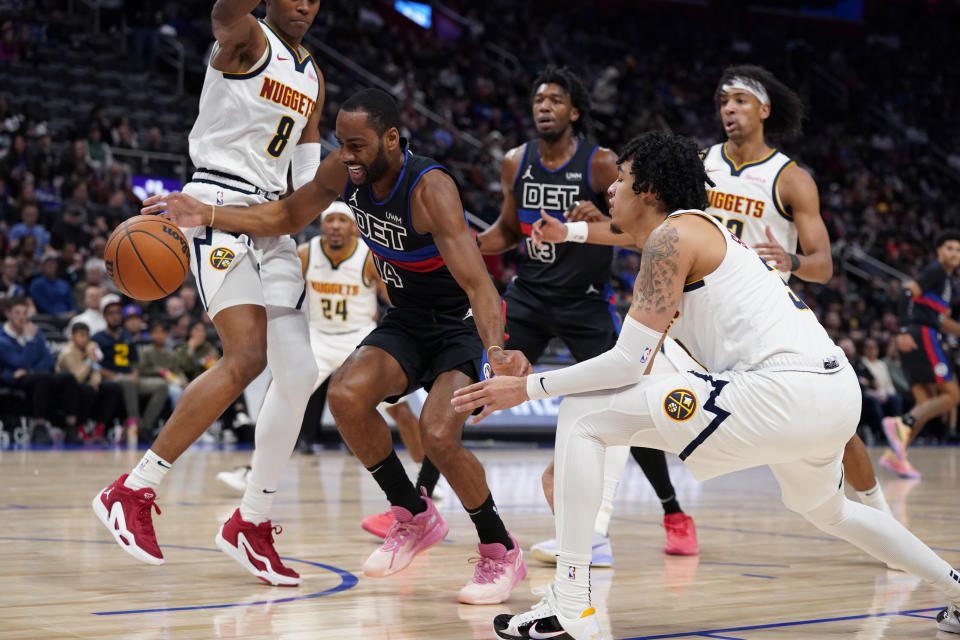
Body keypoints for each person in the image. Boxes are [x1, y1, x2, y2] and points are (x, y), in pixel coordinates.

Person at [452, 132, 960, 639]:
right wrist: (574, 236)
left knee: (582, 416)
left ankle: (569, 606)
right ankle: (957, 590)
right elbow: (633, 287)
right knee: (829, 511)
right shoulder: (695, 234)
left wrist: (528, 388)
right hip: (832, 392)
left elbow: (628, 362)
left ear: (649, 190)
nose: (611, 190)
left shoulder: (673, 239)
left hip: (782, 390)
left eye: (622, 180)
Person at [143, 88, 532, 604]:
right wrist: (206, 215)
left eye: (357, 145)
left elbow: (480, 285)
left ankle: (500, 551)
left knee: (438, 435)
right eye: (341, 144)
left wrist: (496, 353)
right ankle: (412, 514)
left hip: (457, 322)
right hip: (408, 319)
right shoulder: (343, 173)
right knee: (345, 397)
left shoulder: (430, 189)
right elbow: (283, 217)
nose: (346, 155)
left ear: (391, 140)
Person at [536, 64, 893, 522]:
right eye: (724, 101)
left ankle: (878, 512)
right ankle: (596, 529)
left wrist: (794, 262)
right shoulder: (699, 164)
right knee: (625, 387)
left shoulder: (790, 178)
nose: (729, 109)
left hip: (759, 328)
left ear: (764, 109)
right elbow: (646, 231)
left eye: (740, 100)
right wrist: (573, 232)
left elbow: (823, 265)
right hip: (693, 318)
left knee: (839, 435)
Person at [92, 0, 325, 586]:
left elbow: (306, 165)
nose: (304, 3)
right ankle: (133, 489)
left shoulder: (313, 74)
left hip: (271, 221)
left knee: (298, 373)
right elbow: (223, 10)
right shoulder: (244, 37)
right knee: (246, 357)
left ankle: (250, 522)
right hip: (213, 204)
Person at [477, 65, 698, 566]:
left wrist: (597, 221)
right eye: (538, 100)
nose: (544, 107)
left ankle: (673, 511)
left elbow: (637, 234)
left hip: (584, 300)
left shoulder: (600, 166)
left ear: (574, 111)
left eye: (555, 99)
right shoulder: (515, 162)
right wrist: (461, 244)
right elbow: (507, 231)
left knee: (624, 406)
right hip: (531, 296)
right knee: (476, 387)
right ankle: (421, 500)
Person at [216, 201, 440, 522]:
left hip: (360, 338)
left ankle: (423, 479)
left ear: (353, 226)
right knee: (279, 393)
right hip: (318, 338)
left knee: (401, 408)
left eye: (341, 220)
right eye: (330, 220)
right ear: (322, 224)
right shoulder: (306, 254)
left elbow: (397, 300)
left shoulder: (368, 257)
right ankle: (252, 471)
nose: (335, 225)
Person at [883, 229, 960, 478]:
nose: (954, 253)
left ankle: (897, 456)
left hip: (922, 332)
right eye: (950, 248)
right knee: (952, 396)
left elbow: (941, 320)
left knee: (925, 403)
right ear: (939, 251)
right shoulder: (936, 270)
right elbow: (907, 292)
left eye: (958, 250)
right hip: (922, 335)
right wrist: (903, 329)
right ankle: (900, 424)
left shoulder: (948, 282)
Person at [0, 296, 81, 444]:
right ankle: (40, 426)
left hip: (31, 375)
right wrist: (30, 342)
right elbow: (18, 362)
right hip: (13, 379)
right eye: (17, 313)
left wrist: (30, 371)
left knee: (69, 377)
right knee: (43, 378)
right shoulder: (3, 338)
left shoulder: (34, 332)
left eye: (25, 313)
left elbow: (48, 360)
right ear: (8, 314)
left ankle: (70, 427)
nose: (22, 317)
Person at [91, 295, 168, 441]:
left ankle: (146, 426)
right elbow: (95, 365)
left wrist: (135, 373)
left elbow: (134, 362)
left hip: (130, 379)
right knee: (129, 382)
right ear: (104, 316)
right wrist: (116, 376)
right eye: (111, 313)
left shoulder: (127, 337)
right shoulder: (97, 338)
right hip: (110, 379)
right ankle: (136, 427)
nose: (115, 316)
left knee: (162, 385)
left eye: (118, 313)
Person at [55, 321, 123, 442]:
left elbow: (96, 370)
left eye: (87, 335)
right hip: (69, 390)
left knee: (112, 388)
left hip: (87, 385)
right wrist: (89, 360)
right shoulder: (68, 353)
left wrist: (95, 381)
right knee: (85, 390)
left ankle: (100, 429)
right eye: (81, 335)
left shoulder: (90, 348)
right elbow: (77, 378)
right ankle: (80, 428)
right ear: (72, 336)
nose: (84, 339)